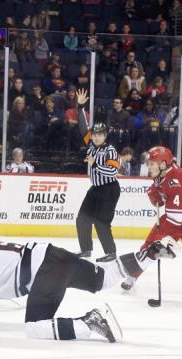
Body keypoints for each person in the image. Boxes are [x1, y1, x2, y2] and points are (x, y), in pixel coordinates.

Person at [0, 233, 124, 343]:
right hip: (55, 254)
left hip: (45, 272)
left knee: (34, 328)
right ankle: (148, 254)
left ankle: (88, 321)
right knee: (104, 278)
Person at [118, 146, 182, 303]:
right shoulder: (161, 173)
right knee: (150, 243)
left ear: (163, 164)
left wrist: (162, 239)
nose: (149, 166)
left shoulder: (175, 179)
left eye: (152, 163)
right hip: (177, 213)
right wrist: (155, 192)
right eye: (149, 163)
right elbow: (164, 196)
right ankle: (133, 275)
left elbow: (177, 218)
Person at [75, 89, 121, 262]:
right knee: (82, 220)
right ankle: (86, 249)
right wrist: (80, 107)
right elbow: (82, 127)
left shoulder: (110, 151)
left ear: (105, 136)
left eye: (99, 135)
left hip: (109, 190)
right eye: (94, 134)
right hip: (95, 188)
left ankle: (111, 253)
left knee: (101, 223)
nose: (96, 137)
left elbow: (113, 172)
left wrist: (95, 164)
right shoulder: (91, 146)